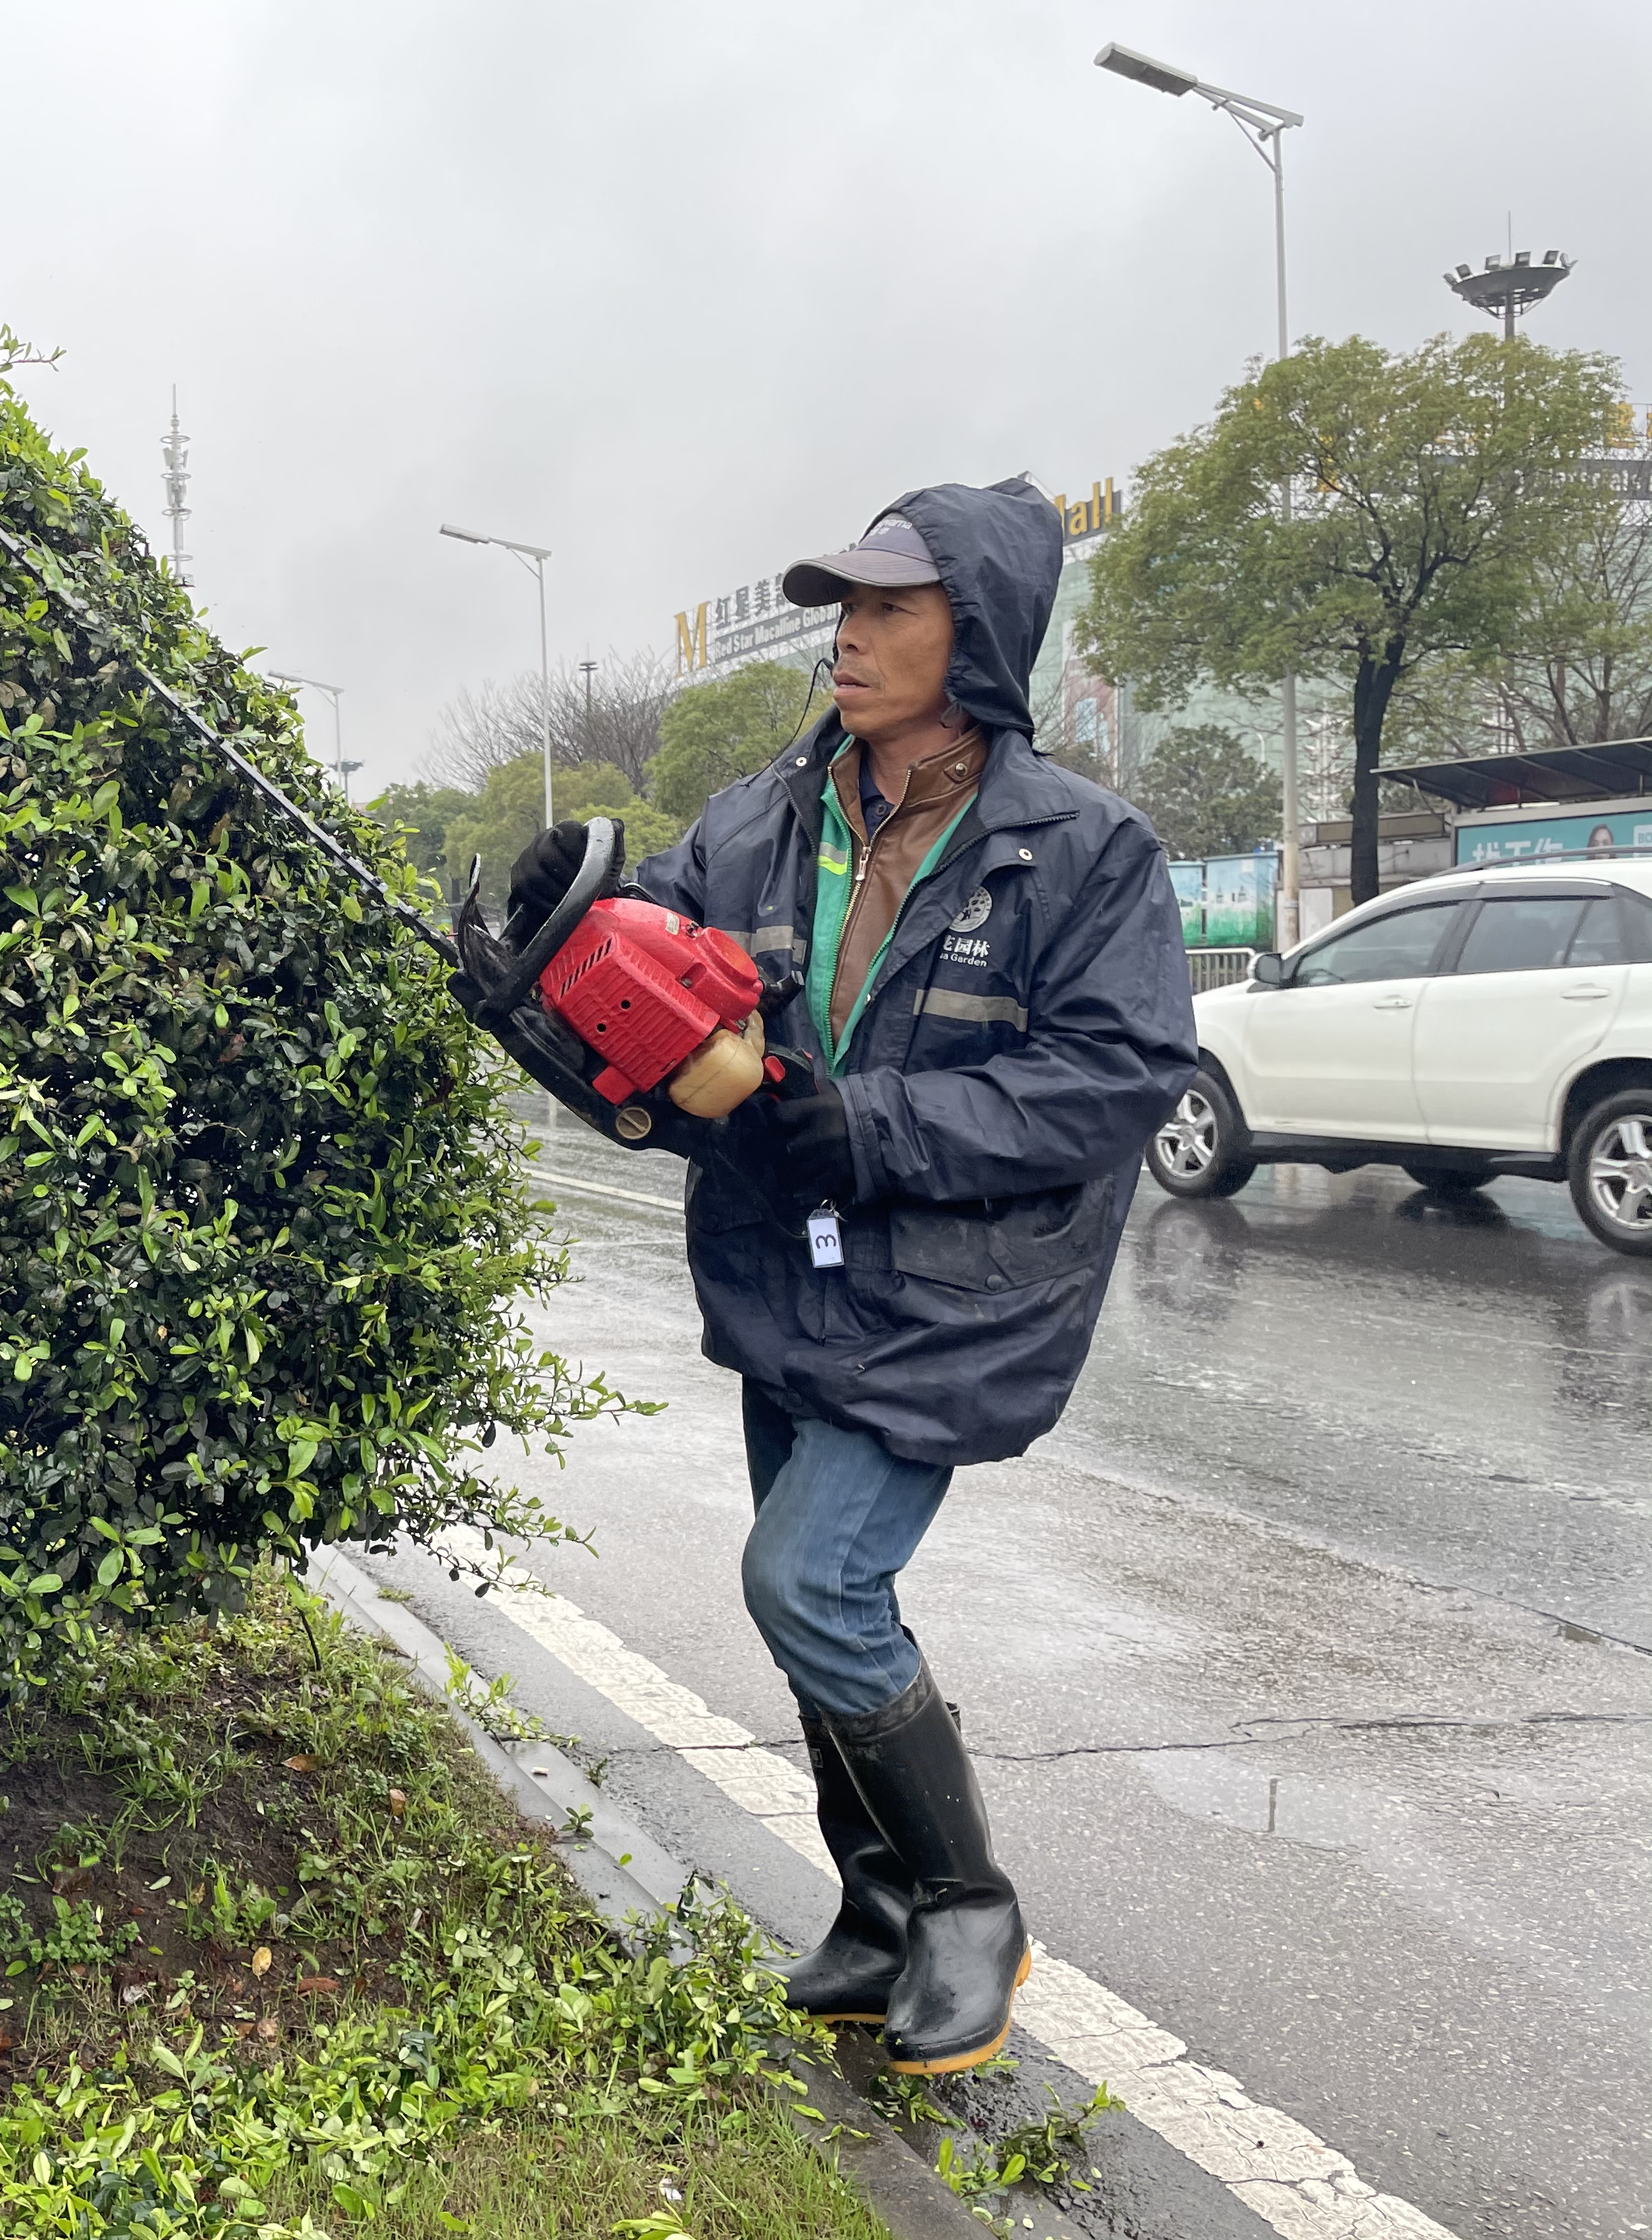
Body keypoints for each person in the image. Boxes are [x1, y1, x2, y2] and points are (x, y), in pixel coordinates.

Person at [505, 481, 1196, 2073]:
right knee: (820, 1605)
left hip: (954, 1298)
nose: (852, 635)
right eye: (846, 605)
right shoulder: (759, 819)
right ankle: (878, 1904)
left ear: (983, 633)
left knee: (809, 1582)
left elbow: (1117, 1079)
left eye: (894, 607)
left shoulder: (1081, 850)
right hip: (780, 1277)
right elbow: (643, 965)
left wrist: (857, 1118)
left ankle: (967, 1905)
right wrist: (547, 958)